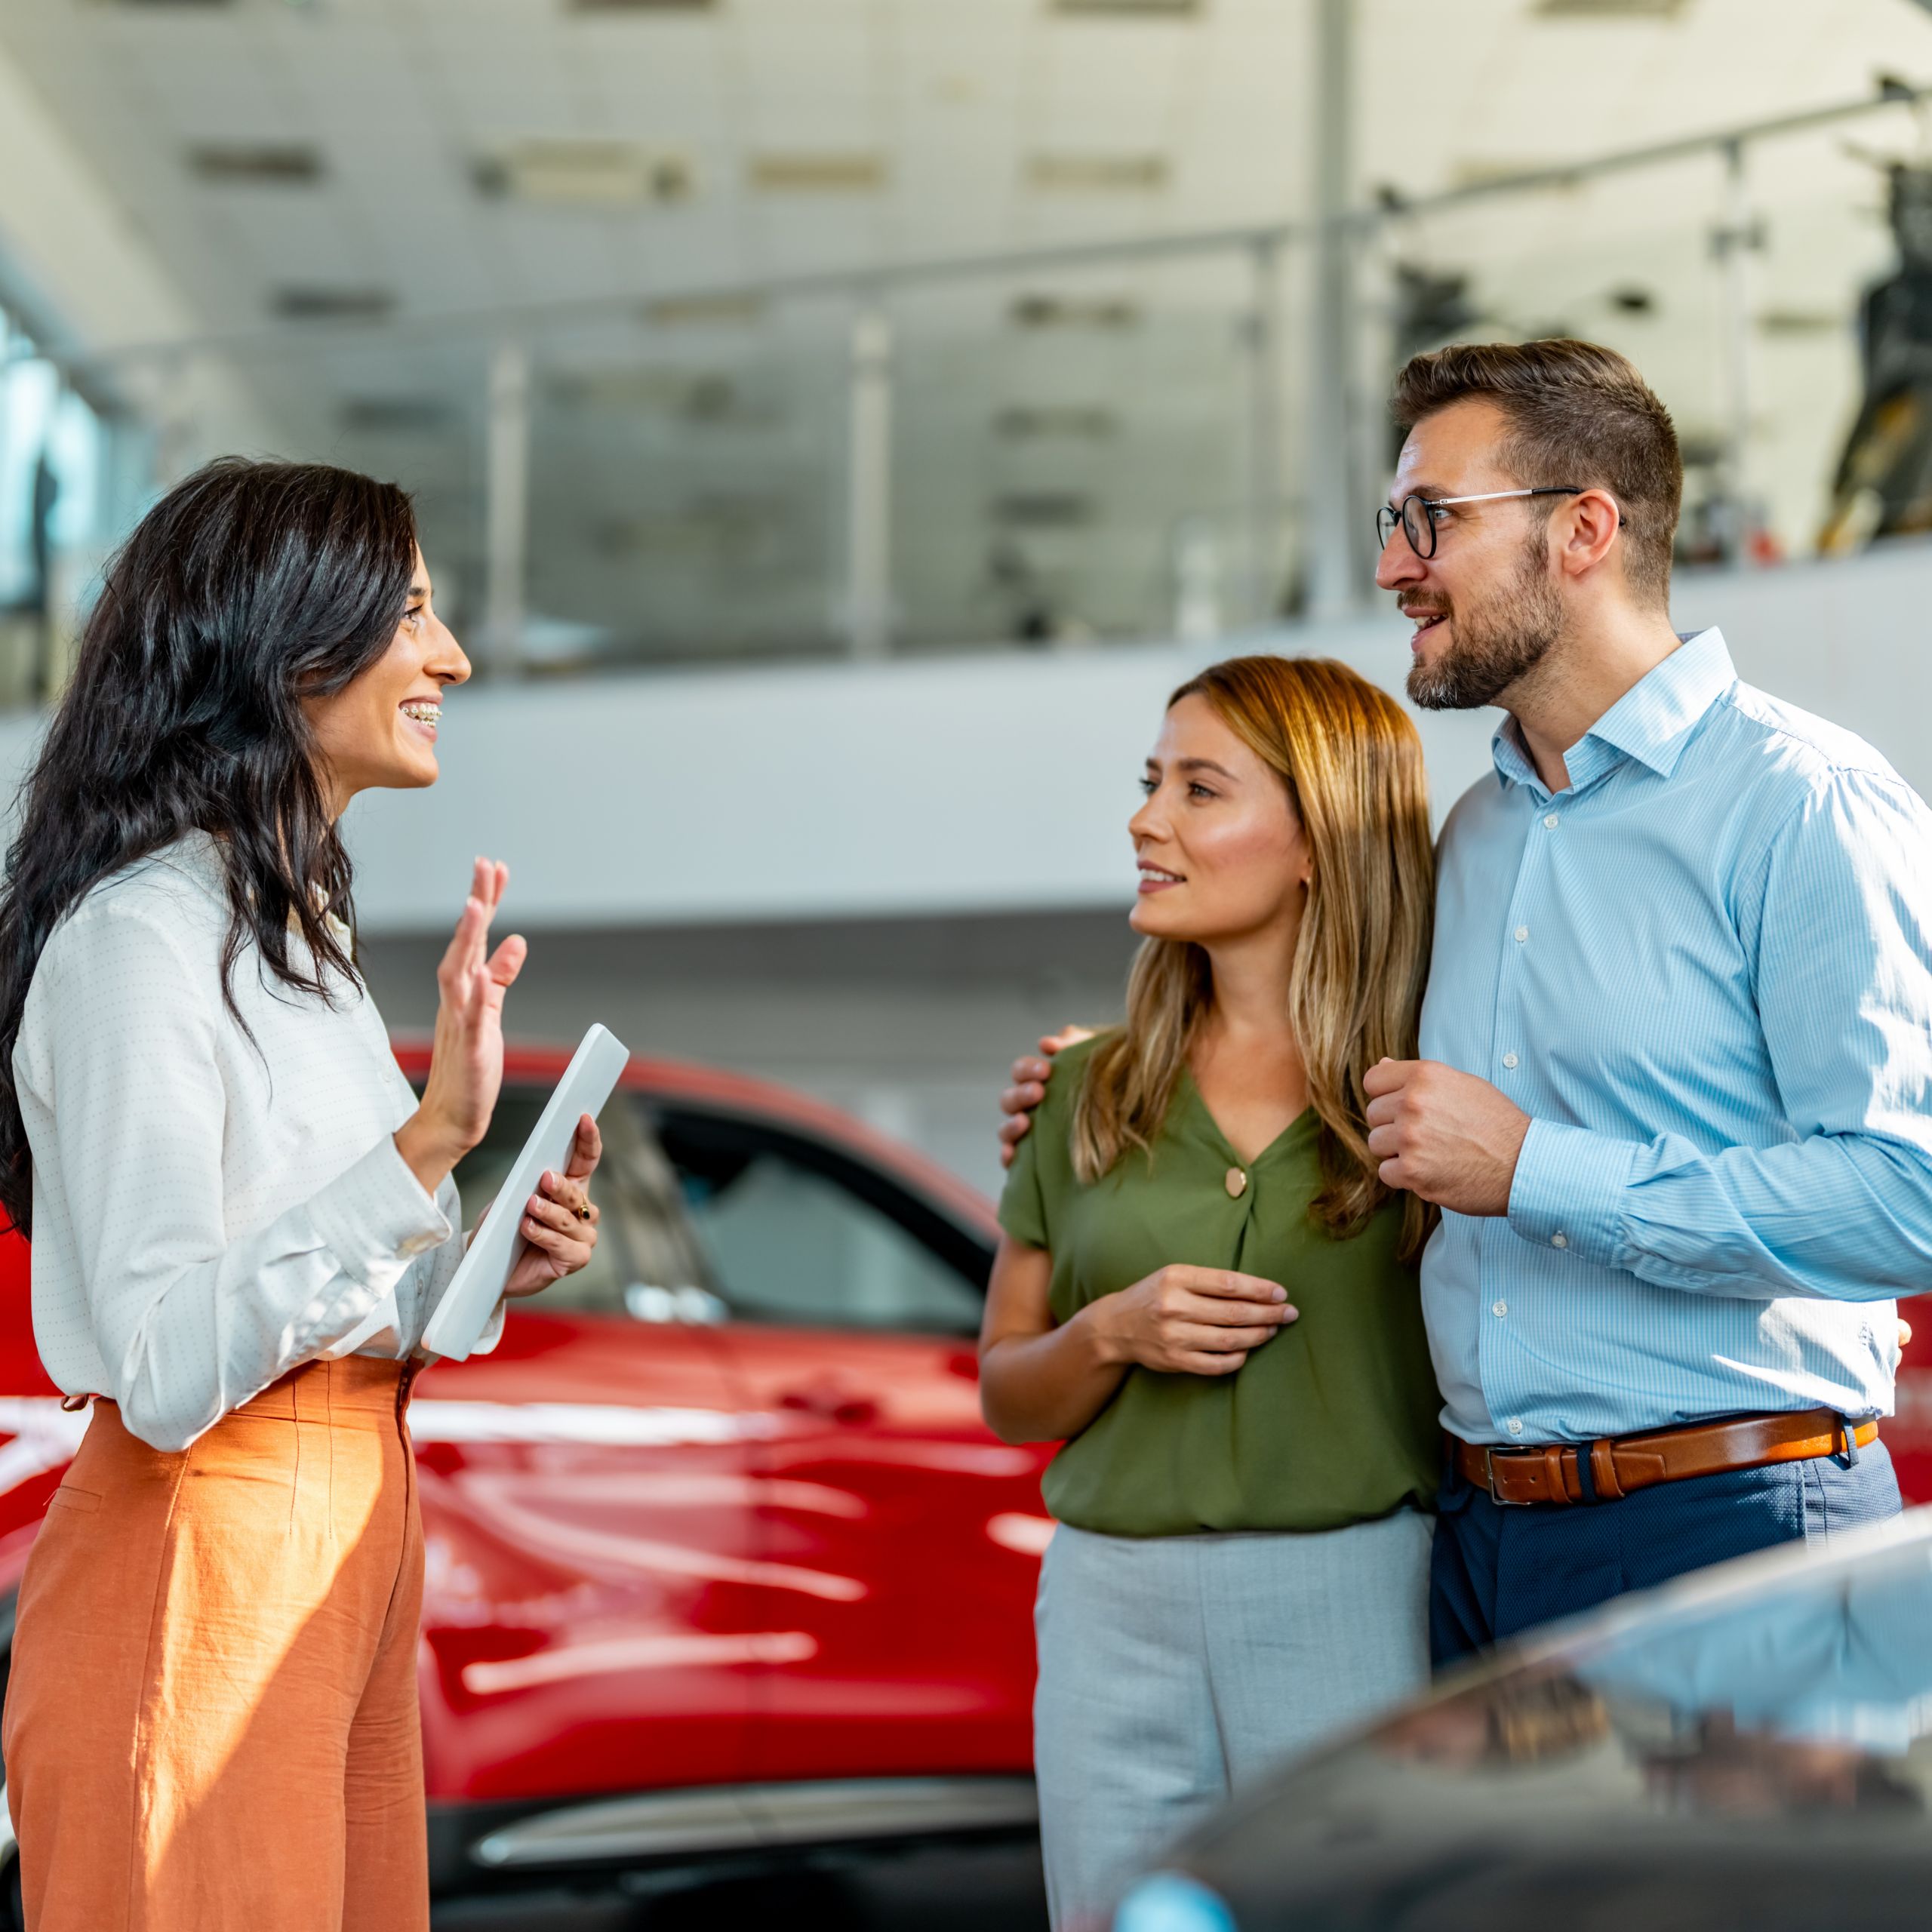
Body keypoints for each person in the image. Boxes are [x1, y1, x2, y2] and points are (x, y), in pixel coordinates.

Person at [1003, 338, 1932, 1672]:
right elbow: (1329, 1064)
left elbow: (1907, 1195)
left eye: (1430, 521)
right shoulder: (1478, 839)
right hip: (1478, 1545)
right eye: (1396, 525)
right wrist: (1097, 1089)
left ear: (1585, 530)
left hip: (1730, 1520)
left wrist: (1540, 1172)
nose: (1393, 569)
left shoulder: (1805, 806)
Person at [0, 460, 605, 1932]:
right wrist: (420, 1150)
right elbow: (161, 1363)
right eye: (410, 612)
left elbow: (297, 1291)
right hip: (201, 1567)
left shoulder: (295, 935)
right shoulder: (140, 940)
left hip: (345, 1549)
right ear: (287, 646)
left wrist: (468, 1266)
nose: (449, 654)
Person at [981, 655, 1443, 1932]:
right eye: (1150, 784)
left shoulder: (1428, 1094)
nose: (1147, 820)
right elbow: (1008, 1393)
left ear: (1318, 842)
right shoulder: (1085, 1090)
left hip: (1353, 1595)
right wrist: (1111, 1332)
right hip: (1106, 1604)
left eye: (1199, 789)